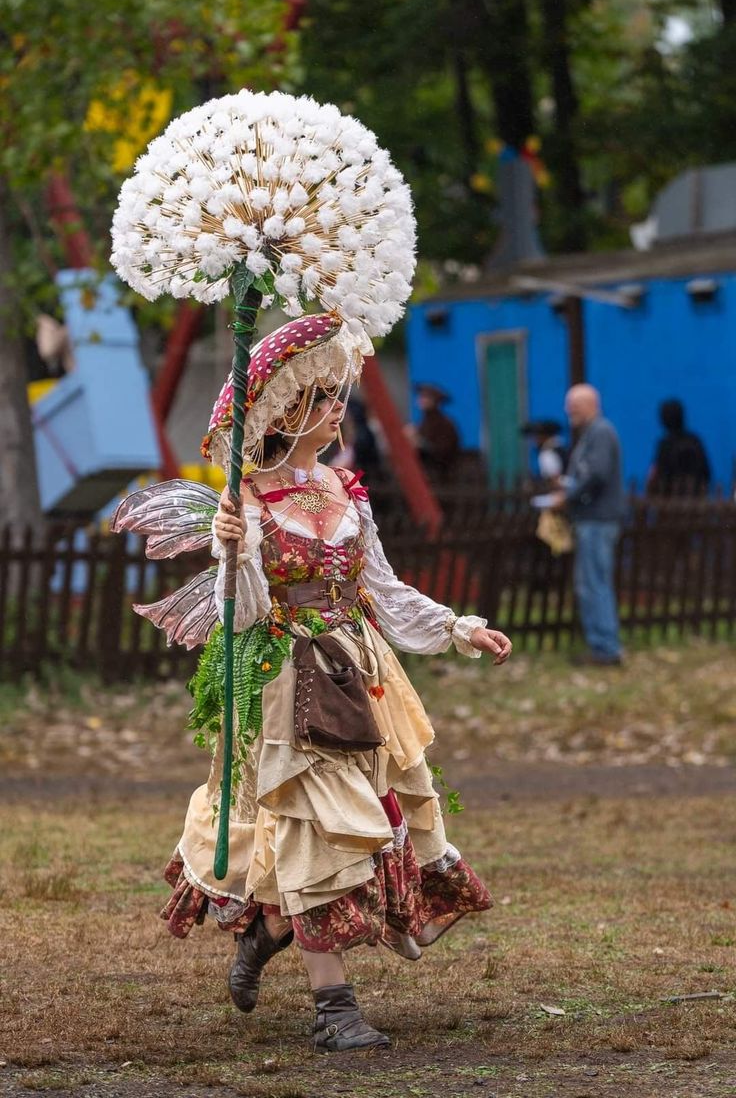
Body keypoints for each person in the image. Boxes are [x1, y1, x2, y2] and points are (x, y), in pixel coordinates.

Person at [114, 312, 512, 1054]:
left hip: (361, 675)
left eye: (337, 396)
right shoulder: (247, 504)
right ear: (286, 413)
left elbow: (383, 591)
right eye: (324, 397)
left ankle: (268, 931)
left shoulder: (345, 489)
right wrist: (231, 553)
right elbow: (246, 609)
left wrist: (458, 627)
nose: (337, 409)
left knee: (388, 809)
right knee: (312, 828)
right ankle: (335, 1008)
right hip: (282, 678)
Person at [551, 384, 625, 666]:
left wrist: (567, 495)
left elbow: (596, 474)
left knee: (594, 583)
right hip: (592, 518)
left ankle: (606, 648)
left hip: (598, 519)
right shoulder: (591, 433)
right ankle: (602, 645)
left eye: (575, 407)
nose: (570, 412)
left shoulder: (601, 432)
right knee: (591, 582)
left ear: (591, 404)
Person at [647, 398, 711, 496]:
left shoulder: (665, 445)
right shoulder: (695, 441)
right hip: (697, 503)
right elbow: (707, 473)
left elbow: (656, 474)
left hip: (668, 504)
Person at [406, 382, 460, 477]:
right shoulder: (423, 422)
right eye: (420, 397)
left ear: (434, 401)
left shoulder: (445, 424)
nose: (420, 400)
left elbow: (443, 452)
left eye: (425, 397)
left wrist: (419, 442)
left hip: (440, 474)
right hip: (425, 472)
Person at [520, 420, 568, 484]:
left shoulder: (547, 454)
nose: (533, 441)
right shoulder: (561, 448)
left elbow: (554, 480)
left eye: (536, 436)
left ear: (544, 436)